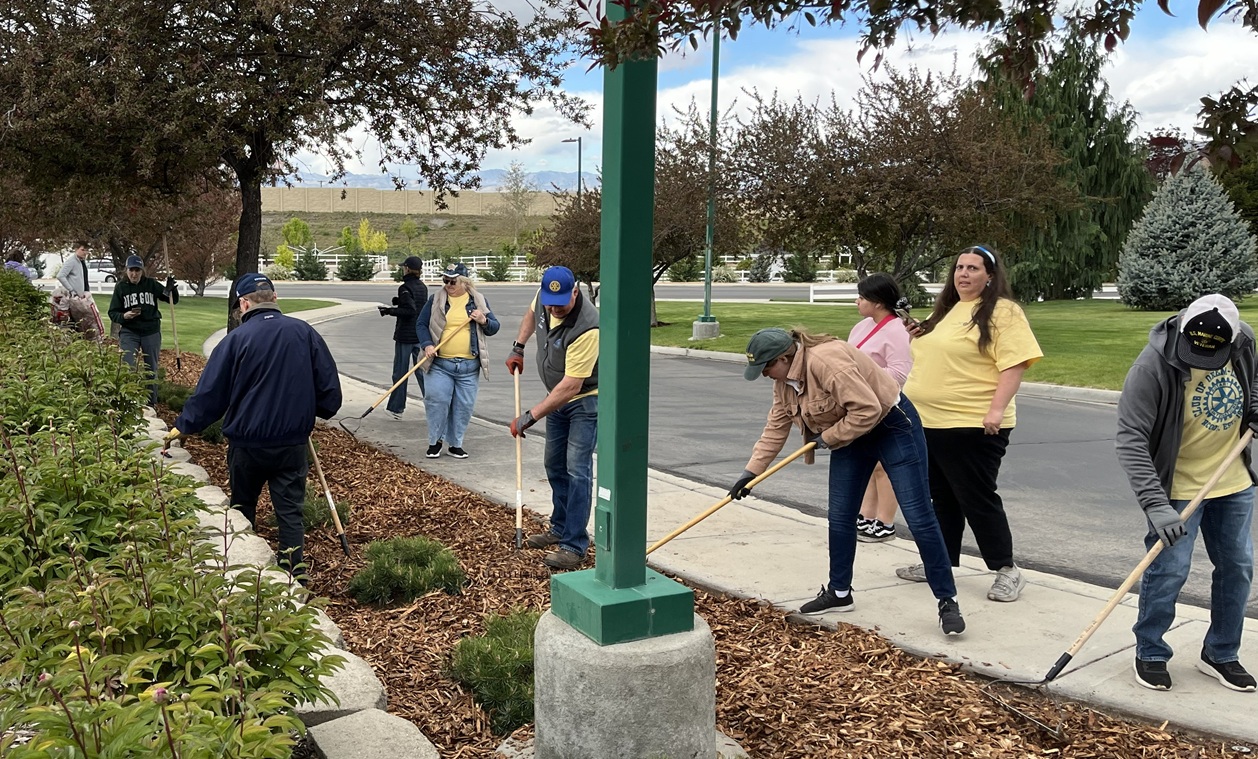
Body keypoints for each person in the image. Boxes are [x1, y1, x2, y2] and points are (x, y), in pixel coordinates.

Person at [729, 327, 966, 636]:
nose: (765, 376)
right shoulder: (785, 381)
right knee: (841, 517)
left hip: (891, 427)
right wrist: (750, 474)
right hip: (849, 436)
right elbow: (776, 426)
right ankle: (839, 592)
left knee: (919, 515)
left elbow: (868, 409)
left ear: (785, 357)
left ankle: (947, 600)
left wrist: (827, 438)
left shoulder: (826, 363)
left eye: (766, 368)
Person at [1116, 293, 1257, 693]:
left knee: (1238, 567)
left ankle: (1221, 652)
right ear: (1182, 330)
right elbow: (1130, 440)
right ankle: (1151, 651)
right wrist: (1156, 505)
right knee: (1169, 570)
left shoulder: (1243, 339)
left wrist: (1256, 405)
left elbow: (1256, 374)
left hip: (1232, 480)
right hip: (1175, 490)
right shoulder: (1152, 365)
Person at [165, 274, 342, 582]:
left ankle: (247, 575)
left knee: (243, 507)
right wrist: (313, 411)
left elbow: (211, 395)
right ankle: (294, 580)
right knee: (290, 513)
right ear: (274, 297)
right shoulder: (304, 333)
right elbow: (330, 393)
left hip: (247, 446)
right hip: (291, 444)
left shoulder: (235, 340)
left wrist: (182, 427)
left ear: (244, 303)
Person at [898, 245, 1042, 602]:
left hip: (973, 423)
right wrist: (922, 335)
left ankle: (1006, 570)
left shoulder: (1003, 312)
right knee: (941, 497)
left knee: (976, 497)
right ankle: (940, 561)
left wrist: (996, 409)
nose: (964, 274)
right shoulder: (947, 311)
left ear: (990, 276)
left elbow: (1014, 364)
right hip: (928, 422)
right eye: (960, 268)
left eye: (973, 268)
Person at [506, 266, 598, 570]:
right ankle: (558, 527)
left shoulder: (588, 327)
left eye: (560, 302)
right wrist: (518, 346)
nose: (554, 308)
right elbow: (532, 313)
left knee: (577, 469)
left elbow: (571, 386)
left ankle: (574, 544)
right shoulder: (546, 299)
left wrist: (529, 417)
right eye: (550, 302)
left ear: (575, 291)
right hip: (556, 398)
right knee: (554, 464)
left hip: (585, 401)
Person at [848, 273, 913, 543]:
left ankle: (885, 521)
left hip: (885, 403)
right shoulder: (862, 326)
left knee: (883, 466)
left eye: (862, 297)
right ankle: (866, 514)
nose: (857, 301)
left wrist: (863, 376)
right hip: (862, 403)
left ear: (877, 301)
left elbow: (899, 373)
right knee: (868, 462)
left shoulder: (898, 330)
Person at [416, 262, 500, 459]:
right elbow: (421, 324)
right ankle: (435, 441)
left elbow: (494, 327)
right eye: (445, 280)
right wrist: (427, 344)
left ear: (464, 282)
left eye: (452, 281)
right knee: (437, 400)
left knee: (463, 406)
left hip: (469, 366)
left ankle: (455, 444)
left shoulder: (479, 301)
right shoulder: (436, 299)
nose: (448, 284)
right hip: (440, 364)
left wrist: (483, 320)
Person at [108, 255, 178, 406]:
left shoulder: (151, 284)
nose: (134, 274)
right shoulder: (121, 288)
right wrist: (124, 316)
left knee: (150, 367)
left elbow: (171, 299)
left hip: (150, 331)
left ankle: (150, 404)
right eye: (131, 270)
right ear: (126, 271)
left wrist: (171, 289)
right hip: (129, 332)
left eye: (137, 270)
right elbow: (112, 313)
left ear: (142, 271)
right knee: (128, 366)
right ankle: (128, 402)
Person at [379, 255, 428, 419]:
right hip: (420, 335)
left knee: (400, 372)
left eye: (403, 267)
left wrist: (389, 310)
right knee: (422, 372)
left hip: (405, 335)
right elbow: (416, 306)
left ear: (407, 268)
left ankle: (396, 408)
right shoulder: (422, 287)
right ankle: (433, 405)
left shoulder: (404, 287)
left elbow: (410, 311)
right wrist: (399, 301)